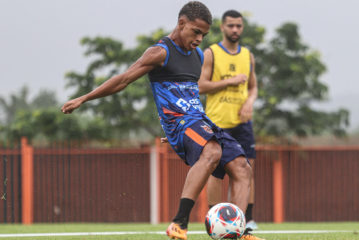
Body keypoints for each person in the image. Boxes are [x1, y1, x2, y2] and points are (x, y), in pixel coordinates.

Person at [61, 2, 263, 240]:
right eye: (196, 32)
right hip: (181, 124)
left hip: (198, 122)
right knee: (213, 151)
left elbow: (190, 96)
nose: (200, 39)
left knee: (242, 165)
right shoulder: (160, 52)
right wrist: (85, 98)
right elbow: (123, 79)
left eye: (204, 34)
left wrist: (190, 134)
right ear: (181, 24)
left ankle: (239, 232)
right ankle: (179, 222)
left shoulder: (198, 55)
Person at [198, 10, 259, 230]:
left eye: (238, 26)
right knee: (216, 171)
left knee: (246, 169)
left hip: (242, 124)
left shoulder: (247, 56)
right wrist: (229, 82)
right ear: (223, 27)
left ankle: (246, 220)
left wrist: (250, 102)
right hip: (217, 122)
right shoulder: (211, 53)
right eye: (231, 26)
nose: (235, 30)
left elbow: (253, 87)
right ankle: (214, 218)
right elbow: (200, 86)